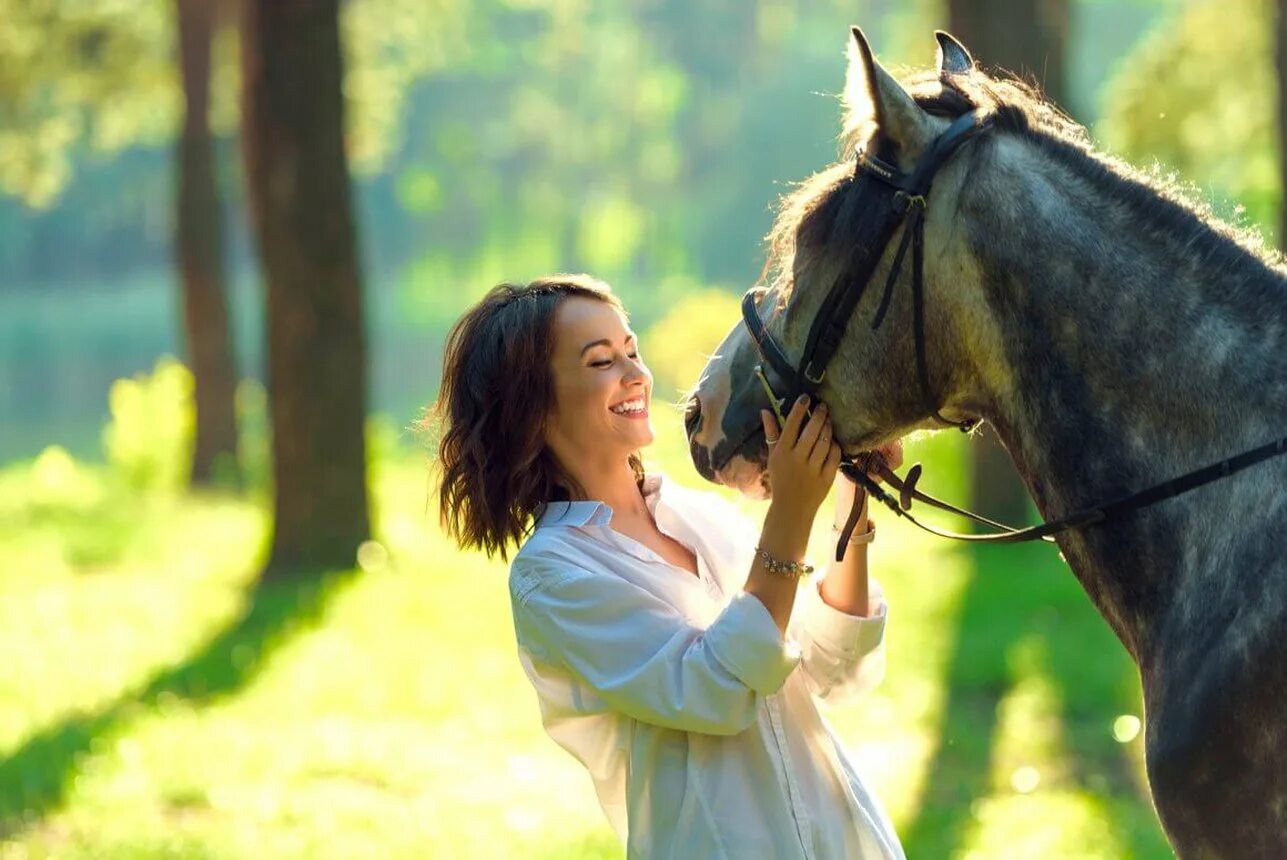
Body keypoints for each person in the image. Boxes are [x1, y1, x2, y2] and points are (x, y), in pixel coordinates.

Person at [433, 273, 905, 859]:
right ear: (532, 405)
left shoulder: (696, 513)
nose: (635, 375)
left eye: (631, 351)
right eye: (601, 361)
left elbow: (834, 668)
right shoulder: (553, 575)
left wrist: (849, 507)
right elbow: (715, 688)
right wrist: (790, 511)